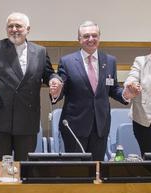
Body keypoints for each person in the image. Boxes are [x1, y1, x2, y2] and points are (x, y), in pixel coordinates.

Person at [0, 12, 62, 161]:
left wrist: (54, 80)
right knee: (0, 168)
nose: (14, 29)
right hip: (1, 120)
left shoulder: (40, 51)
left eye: (18, 26)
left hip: (28, 120)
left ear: (28, 29)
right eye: (10, 26)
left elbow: (48, 74)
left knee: (25, 169)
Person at [55, 21, 130, 161]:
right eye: (86, 36)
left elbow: (113, 89)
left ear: (99, 37)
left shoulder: (110, 60)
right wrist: (56, 92)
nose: (91, 39)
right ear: (79, 39)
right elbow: (60, 91)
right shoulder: (67, 61)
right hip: (74, 127)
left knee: (97, 170)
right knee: (75, 172)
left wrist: (126, 94)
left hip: (100, 126)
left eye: (94, 35)